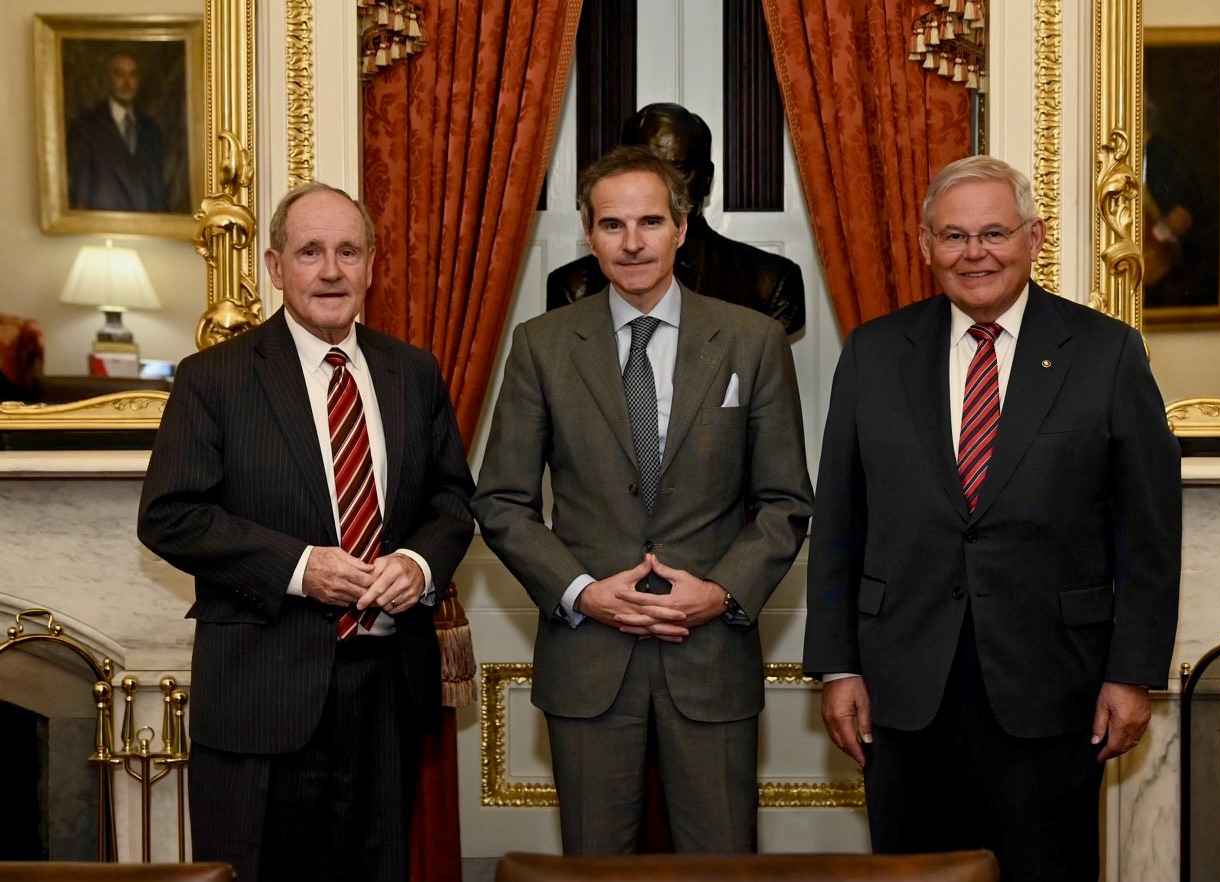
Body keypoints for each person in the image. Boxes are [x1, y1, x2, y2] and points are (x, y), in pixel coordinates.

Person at [803, 156, 1181, 882]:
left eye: (994, 233)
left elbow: (1149, 532)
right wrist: (837, 665)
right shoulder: (875, 353)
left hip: (1052, 687)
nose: (974, 253)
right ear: (925, 246)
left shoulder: (1105, 353)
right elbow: (840, 522)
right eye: (953, 236)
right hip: (903, 689)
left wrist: (1134, 674)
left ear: (1034, 238)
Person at [473, 146, 813, 855]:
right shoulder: (540, 346)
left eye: (651, 221)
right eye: (611, 224)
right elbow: (502, 500)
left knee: (722, 868)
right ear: (589, 234)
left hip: (711, 653)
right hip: (588, 656)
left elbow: (785, 501)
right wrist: (581, 592)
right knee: (594, 870)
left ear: (683, 228)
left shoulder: (751, 341)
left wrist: (721, 592)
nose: (632, 242)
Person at [138, 182, 475, 882]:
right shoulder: (215, 379)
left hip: (386, 690)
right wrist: (299, 568)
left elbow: (452, 500)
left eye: (348, 251)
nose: (331, 271)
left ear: (372, 265)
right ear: (274, 266)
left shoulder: (412, 372)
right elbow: (170, 515)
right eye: (310, 251)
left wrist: (416, 563)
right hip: (263, 693)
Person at [546, 103, 807, 336]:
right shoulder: (573, 288)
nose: (660, 184)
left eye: (677, 168)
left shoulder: (769, 282)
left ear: (707, 177)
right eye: (645, 168)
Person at [66, 51, 174, 213]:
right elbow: (80, 194)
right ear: (107, 79)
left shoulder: (151, 128)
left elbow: (158, 191)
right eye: (119, 75)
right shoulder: (86, 128)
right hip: (104, 229)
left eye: (132, 76)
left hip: (148, 228)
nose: (127, 83)